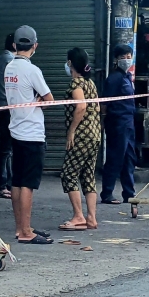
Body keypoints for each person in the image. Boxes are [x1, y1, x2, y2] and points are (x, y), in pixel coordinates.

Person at [4, 25, 54, 245]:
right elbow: (49, 99)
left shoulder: (9, 68)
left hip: (15, 129)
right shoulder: (32, 70)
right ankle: (26, 231)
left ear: (15, 45)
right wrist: (38, 101)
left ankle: (21, 228)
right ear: (35, 46)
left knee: (17, 181)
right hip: (32, 133)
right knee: (28, 184)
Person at [58, 48, 102, 231]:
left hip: (82, 136)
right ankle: (91, 218)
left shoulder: (76, 83)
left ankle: (78, 216)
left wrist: (72, 131)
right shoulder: (90, 83)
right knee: (88, 175)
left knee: (68, 174)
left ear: (70, 63)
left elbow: (81, 106)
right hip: (95, 134)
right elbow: (97, 108)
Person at [101, 44, 137, 205]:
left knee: (129, 158)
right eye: (123, 57)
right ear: (116, 59)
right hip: (117, 123)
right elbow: (104, 102)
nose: (127, 60)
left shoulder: (127, 76)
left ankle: (129, 193)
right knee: (115, 158)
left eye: (129, 56)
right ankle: (107, 193)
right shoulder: (114, 78)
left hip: (128, 122)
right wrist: (103, 120)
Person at [0, 33, 16, 199]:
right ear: (14, 45)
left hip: (3, 106)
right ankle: (3, 184)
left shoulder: (2, 59)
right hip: (7, 107)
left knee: (8, 147)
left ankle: (7, 183)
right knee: (6, 148)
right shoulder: (9, 60)